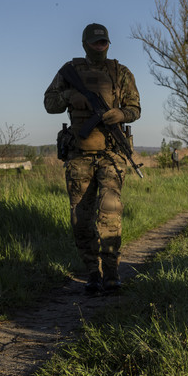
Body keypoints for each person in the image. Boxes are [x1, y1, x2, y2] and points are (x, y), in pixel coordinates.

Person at [44, 23, 141, 294]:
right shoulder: (70, 71)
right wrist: (71, 97)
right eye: (96, 42)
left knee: (110, 211)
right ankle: (92, 273)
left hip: (111, 153)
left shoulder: (120, 72)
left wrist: (121, 115)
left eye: (104, 42)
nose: (101, 46)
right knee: (80, 218)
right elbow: (49, 104)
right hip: (79, 156)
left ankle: (111, 274)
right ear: (86, 44)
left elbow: (135, 108)